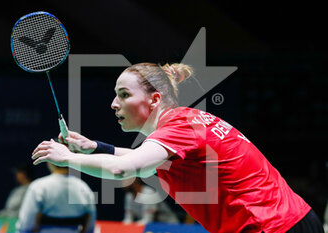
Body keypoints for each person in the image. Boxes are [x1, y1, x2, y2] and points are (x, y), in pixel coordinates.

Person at [32, 62, 324, 233]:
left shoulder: (179, 127)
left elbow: (125, 169)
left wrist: (68, 158)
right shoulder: (186, 121)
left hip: (272, 227)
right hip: (292, 220)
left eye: (124, 94)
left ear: (155, 99)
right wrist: (94, 146)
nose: (114, 103)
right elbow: (149, 159)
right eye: (115, 95)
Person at [16, 162, 96, 233]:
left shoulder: (38, 187)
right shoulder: (84, 188)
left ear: (50, 162)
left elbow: (26, 225)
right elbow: (90, 226)